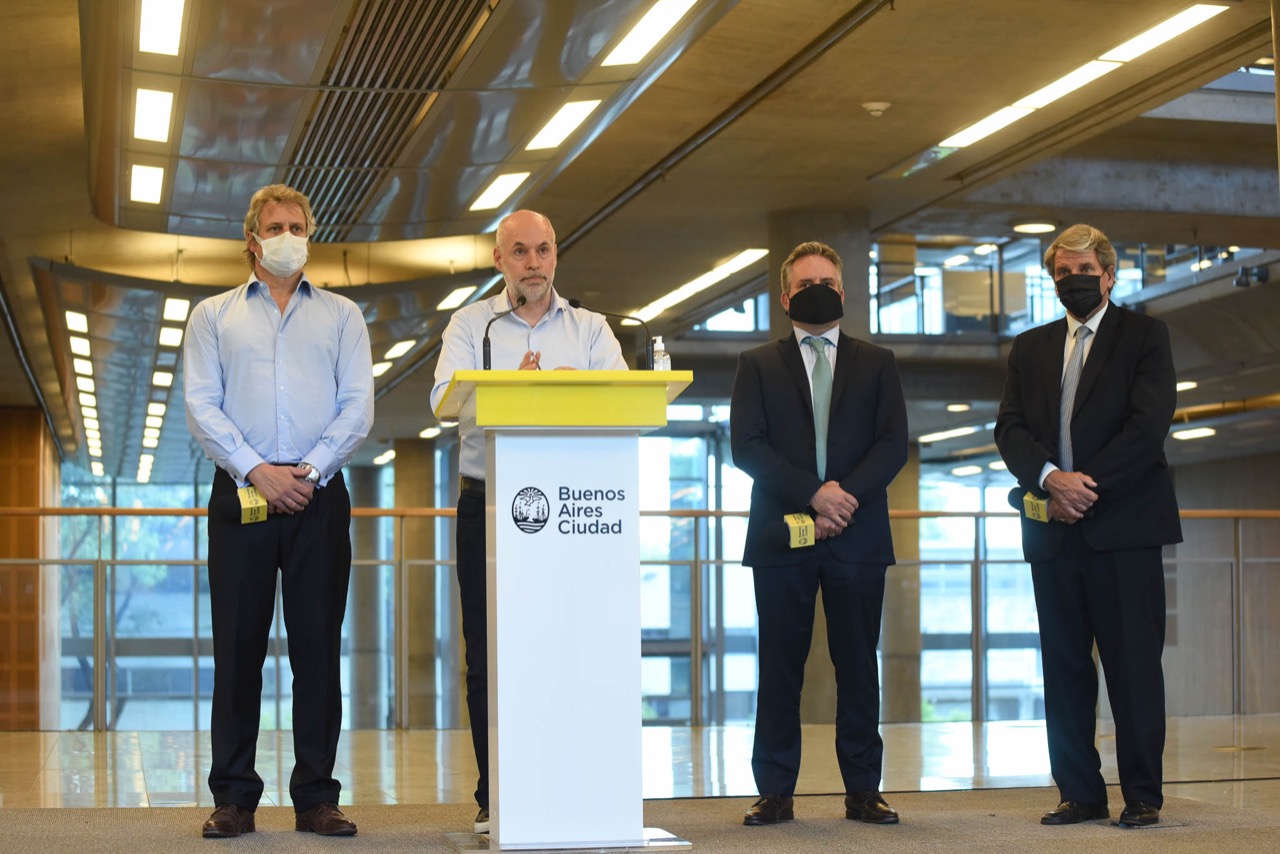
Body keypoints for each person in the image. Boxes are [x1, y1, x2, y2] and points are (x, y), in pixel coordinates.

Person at [184, 184, 373, 839]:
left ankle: (317, 797)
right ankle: (234, 797)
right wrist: (258, 472)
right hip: (242, 494)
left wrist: (310, 470)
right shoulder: (213, 316)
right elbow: (202, 405)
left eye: (297, 226)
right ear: (252, 240)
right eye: (275, 227)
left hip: (319, 496)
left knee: (317, 650)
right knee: (239, 649)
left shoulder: (343, 316)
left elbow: (357, 406)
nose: (288, 236)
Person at [430, 209, 627, 833]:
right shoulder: (473, 325)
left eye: (543, 249)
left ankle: (574, 784)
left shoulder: (592, 329)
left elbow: (623, 401)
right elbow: (442, 400)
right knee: (488, 654)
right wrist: (507, 389)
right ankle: (496, 793)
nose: (533, 263)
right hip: (489, 505)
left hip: (572, 510)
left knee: (570, 645)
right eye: (519, 251)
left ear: (556, 254)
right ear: (499, 260)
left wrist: (571, 390)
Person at [995, 223, 1181, 829]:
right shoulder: (1030, 347)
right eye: (1062, 273)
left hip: (1124, 529)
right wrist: (1051, 478)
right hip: (1053, 531)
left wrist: (1083, 487)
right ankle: (1079, 792)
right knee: (1065, 668)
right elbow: (1010, 428)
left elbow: (1147, 427)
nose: (1072, 280)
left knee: (1133, 668)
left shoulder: (1145, 337)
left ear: (1109, 275)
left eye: (1083, 271)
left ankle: (1143, 795)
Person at [729, 241, 907, 827]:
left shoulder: (878, 362)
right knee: (781, 666)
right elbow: (747, 446)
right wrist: (814, 493)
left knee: (858, 666)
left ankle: (863, 790)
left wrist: (841, 498)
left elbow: (892, 444)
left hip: (858, 535)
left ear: (844, 292)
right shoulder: (756, 364)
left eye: (826, 282)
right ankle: (775, 791)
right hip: (782, 536)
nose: (817, 290)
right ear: (785, 298)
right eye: (805, 284)